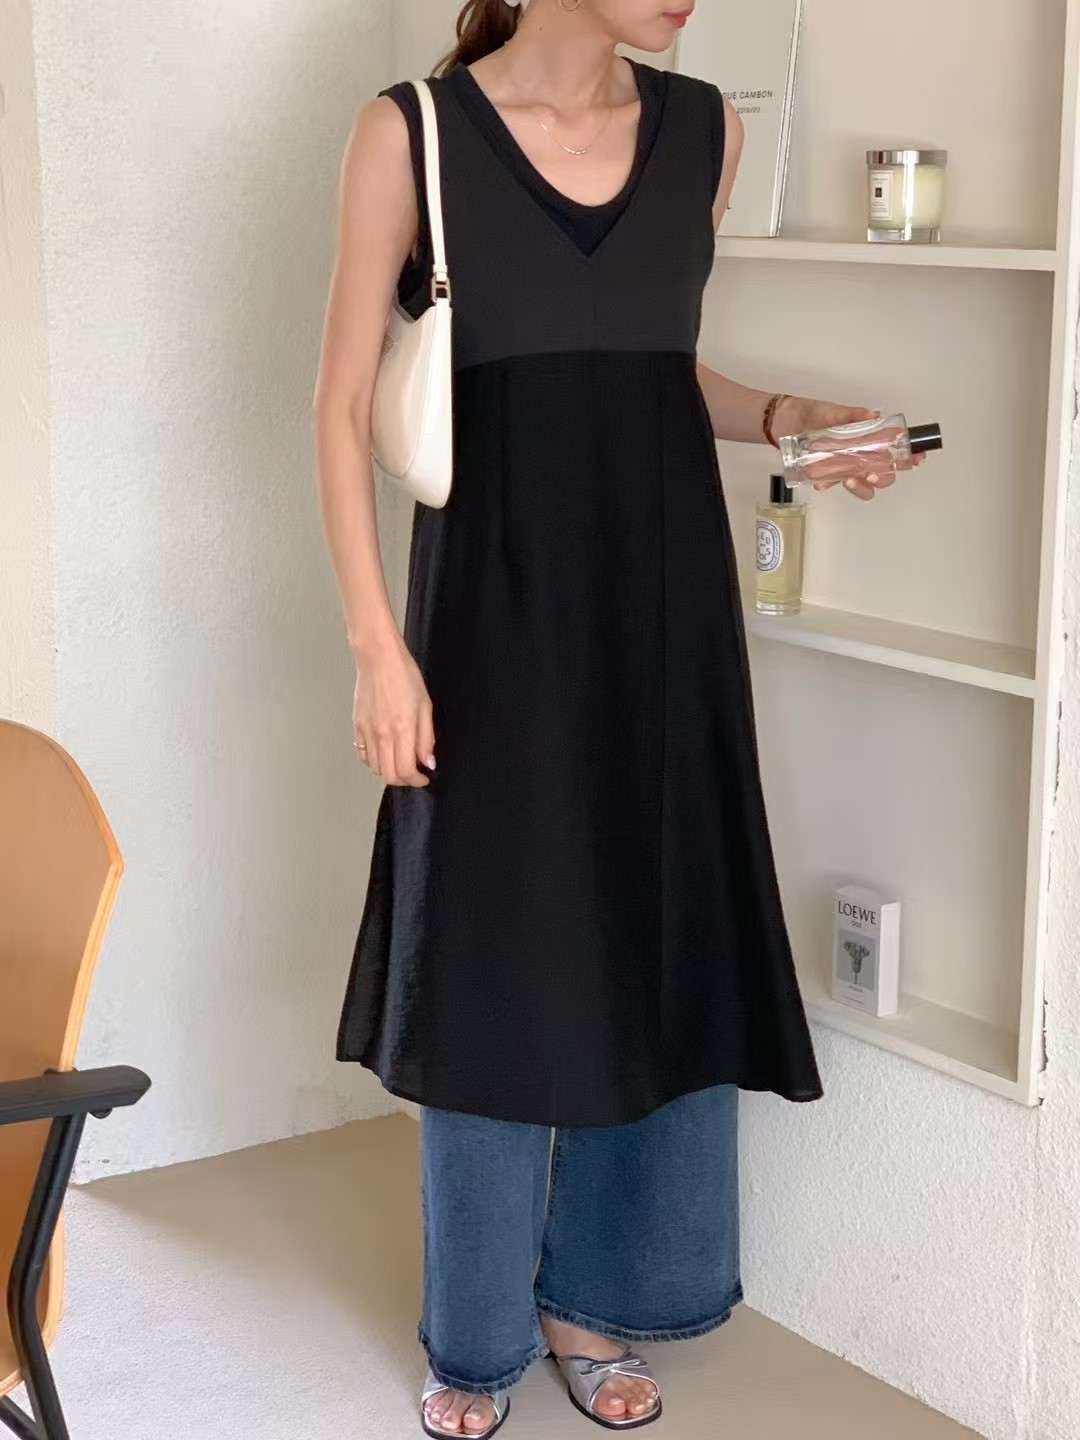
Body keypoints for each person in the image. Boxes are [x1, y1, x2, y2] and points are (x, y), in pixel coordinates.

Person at [313, 2, 909, 1433]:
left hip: (663, 605)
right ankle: (475, 1330)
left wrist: (792, 418)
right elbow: (339, 406)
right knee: (494, 944)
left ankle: (597, 1294)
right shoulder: (412, 134)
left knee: (654, 924)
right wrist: (378, 650)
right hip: (489, 612)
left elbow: (644, 360)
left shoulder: (704, 132)